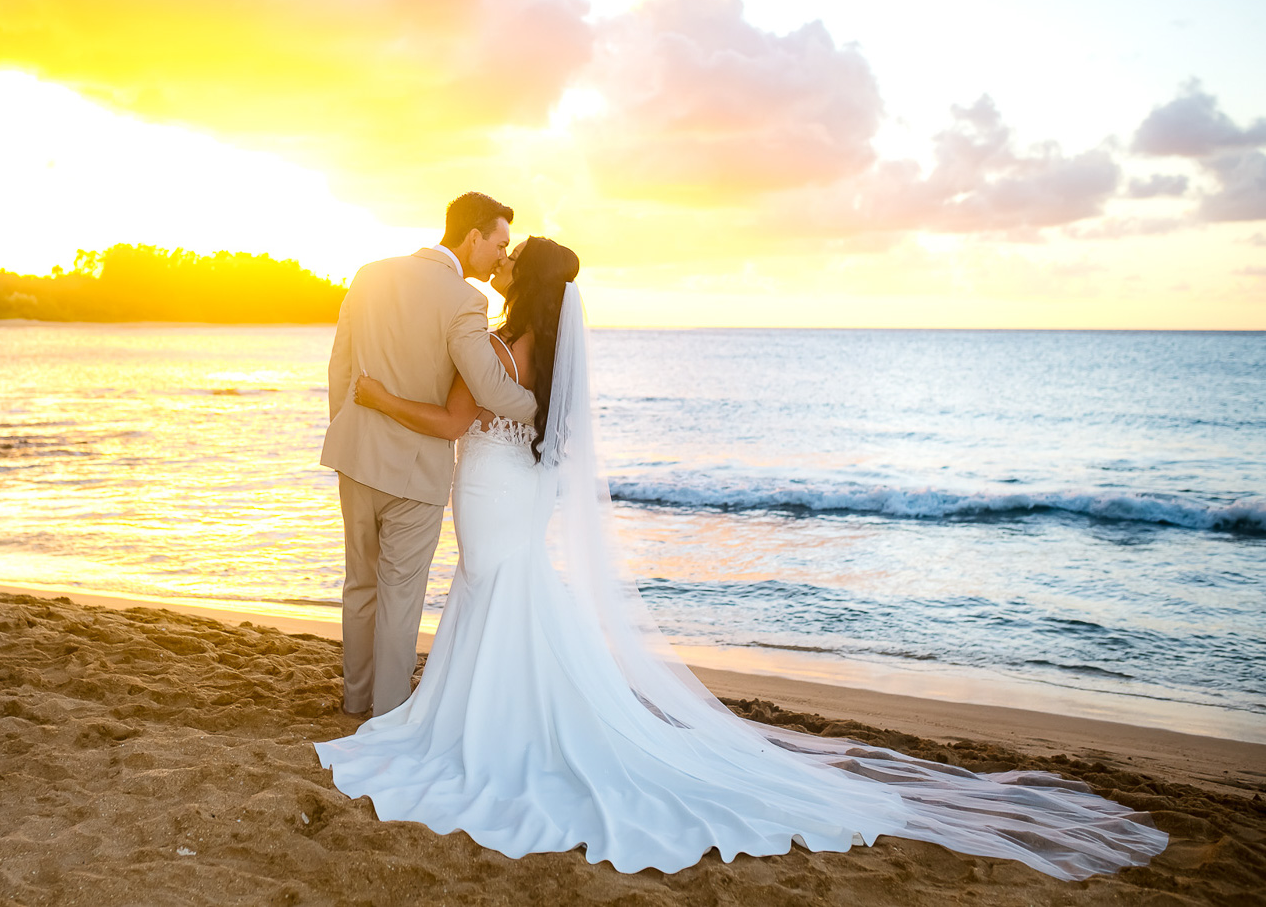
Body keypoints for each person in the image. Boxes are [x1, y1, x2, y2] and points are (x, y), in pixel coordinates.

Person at [315, 237, 1168, 879]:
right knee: (514, 594)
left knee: (487, 590)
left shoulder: (495, 350)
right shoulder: (550, 357)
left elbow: (453, 423)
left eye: (508, 261)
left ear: (520, 282)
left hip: (489, 492)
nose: (496, 267)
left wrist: (378, 397)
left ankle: (473, 724)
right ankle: (503, 714)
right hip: (520, 497)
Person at [321, 192, 537, 718]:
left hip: (355, 457)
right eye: (499, 243)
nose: (501, 257)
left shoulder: (369, 274)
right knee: (400, 594)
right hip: (415, 471)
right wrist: (540, 407)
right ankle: (388, 712)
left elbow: (340, 368)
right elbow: (486, 384)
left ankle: (354, 700)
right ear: (473, 237)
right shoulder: (465, 300)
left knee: (359, 583)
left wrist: (347, 430)